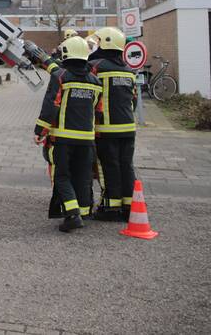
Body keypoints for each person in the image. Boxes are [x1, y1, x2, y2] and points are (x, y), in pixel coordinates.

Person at [34, 35, 103, 232]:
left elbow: (51, 106)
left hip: (63, 140)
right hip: (87, 141)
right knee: (82, 177)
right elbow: (98, 111)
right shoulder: (96, 82)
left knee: (62, 176)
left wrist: (39, 131)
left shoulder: (61, 77)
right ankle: (81, 212)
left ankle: (72, 215)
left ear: (66, 54)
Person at [88, 26, 137, 221]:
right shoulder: (129, 70)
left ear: (106, 43)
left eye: (98, 42)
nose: (96, 46)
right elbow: (133, 100)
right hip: (128, 128)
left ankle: (110, 208)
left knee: (108, 167)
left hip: (106, 129)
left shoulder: (96, 66)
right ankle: (129, 206)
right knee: (127, 166)